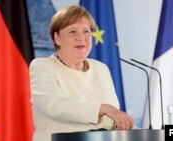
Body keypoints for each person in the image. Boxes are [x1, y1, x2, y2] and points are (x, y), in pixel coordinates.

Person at [29, 5, 134, 141]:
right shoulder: (42, 66)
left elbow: (110, 118)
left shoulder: (101, 68)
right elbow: (54, 105)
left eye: (86, 31)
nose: (81, 37)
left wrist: (119, 125)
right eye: (72, 32)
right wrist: (104, 108)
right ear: (57, 38)